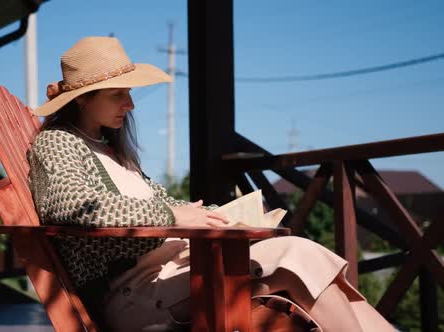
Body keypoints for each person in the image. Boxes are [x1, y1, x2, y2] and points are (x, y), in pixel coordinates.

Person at [27, 36, 394, 331]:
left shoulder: (112, 150)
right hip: (132, 296)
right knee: (296, 258)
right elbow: (71, 205)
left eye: (130, 92)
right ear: (83, 100)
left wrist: (222, 218)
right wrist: (170, 216)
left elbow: (166, 204)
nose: (131, 105)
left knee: (310, 259)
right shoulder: (58, 142)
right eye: (118, 94)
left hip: (175, 272)